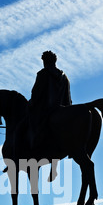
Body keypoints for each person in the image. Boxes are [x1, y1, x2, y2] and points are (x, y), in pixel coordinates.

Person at [29, 51, 72, 181]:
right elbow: (68, 98)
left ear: (45, 61)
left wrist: (30, 105)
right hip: (61, 110)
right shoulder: (64, 77)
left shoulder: (43, 74)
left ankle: (26, 153)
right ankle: (54, 165)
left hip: (45, 111)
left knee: (27, 126)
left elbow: (36, 94)